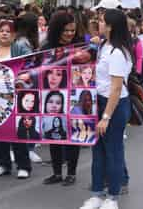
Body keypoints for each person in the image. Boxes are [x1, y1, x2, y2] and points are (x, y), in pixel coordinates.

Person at [79, 8, 132, 209]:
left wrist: (106, 116)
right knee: (98, 150)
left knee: (113, 151)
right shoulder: (104, 45)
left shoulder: (119, 52)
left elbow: (116, 88)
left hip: (114, 106)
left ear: (111, 26)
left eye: (101, 21)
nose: (98, 24)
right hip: (99, 101)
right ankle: (96, 193)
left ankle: (112, 197)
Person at [0, 19, 32, 179]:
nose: (4, 33)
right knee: (0, 131)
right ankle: (3, 164)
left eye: (8, 31)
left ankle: (23, 166)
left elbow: (30, 66)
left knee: (19, 131)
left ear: (14, 34)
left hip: (16, 96)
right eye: (1, 30)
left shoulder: (20, 48)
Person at [41, 11, 82, 187]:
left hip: (74, 97)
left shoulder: (81, 46)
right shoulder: (46, 47)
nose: (69, 34)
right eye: (66, 30)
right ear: (57, 29)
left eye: (72, 30)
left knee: (73, 136)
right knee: (53, 134)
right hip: (52, 96)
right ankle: (57, 173)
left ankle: (71, 173)